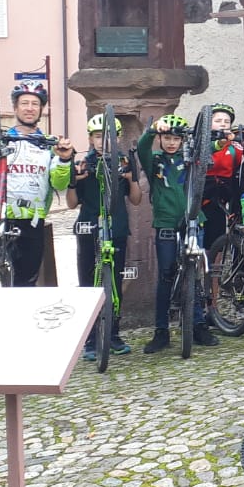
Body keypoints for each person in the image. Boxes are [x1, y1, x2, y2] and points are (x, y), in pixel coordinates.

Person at [0, 81, 74, 286]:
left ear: (41, 109)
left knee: (25, 285)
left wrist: (63, 160)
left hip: (32, 221)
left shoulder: (49, 144)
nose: (29, 108)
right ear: (15, 108)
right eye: (24, 103)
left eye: (35, 104)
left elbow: (59, 183)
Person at [138, 114, 217, 353]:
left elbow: (209, 148)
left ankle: (198, 325)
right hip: (166, 222)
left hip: (193, 220)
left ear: (182, 141)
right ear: (161, 139)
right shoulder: (155, 159)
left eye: (176, 139)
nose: (172, 142)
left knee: (193, 274)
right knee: (166, 275)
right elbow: (142, 148)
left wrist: (221, 142)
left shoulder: (190, 158)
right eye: (167, 138)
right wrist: (152, 130)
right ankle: (161, 331)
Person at [67, 113, 143, 361]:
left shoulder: (123, 161)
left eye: (108, 136)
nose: (103, 141)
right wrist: (72, 182)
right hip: (88, 226)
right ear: (90, 139)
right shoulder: (82, 164)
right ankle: (90, 339)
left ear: (117, 137)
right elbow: (71, 204)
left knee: (116, 281)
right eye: (98, 137)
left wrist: (131, 178)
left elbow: (136, 199)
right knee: (87, 283)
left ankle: (113, 334)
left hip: (117, 227)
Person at [200, 103, 244, 250]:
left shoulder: (233, 146)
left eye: (227, 122)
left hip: (221, 197)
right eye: (218, 121)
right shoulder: (198, 142)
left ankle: (213, 270)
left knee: (216, 240)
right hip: (200, 196)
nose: (222, 125)